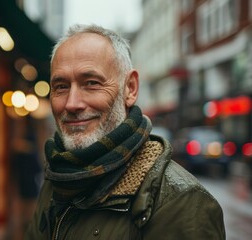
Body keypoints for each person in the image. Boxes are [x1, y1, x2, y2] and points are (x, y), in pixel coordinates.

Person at [25, 24, 225, 239]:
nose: (72, 104)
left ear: (130, 88)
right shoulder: (57, 176)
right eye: (61, 86)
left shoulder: (181, 203)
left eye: (91, 83)